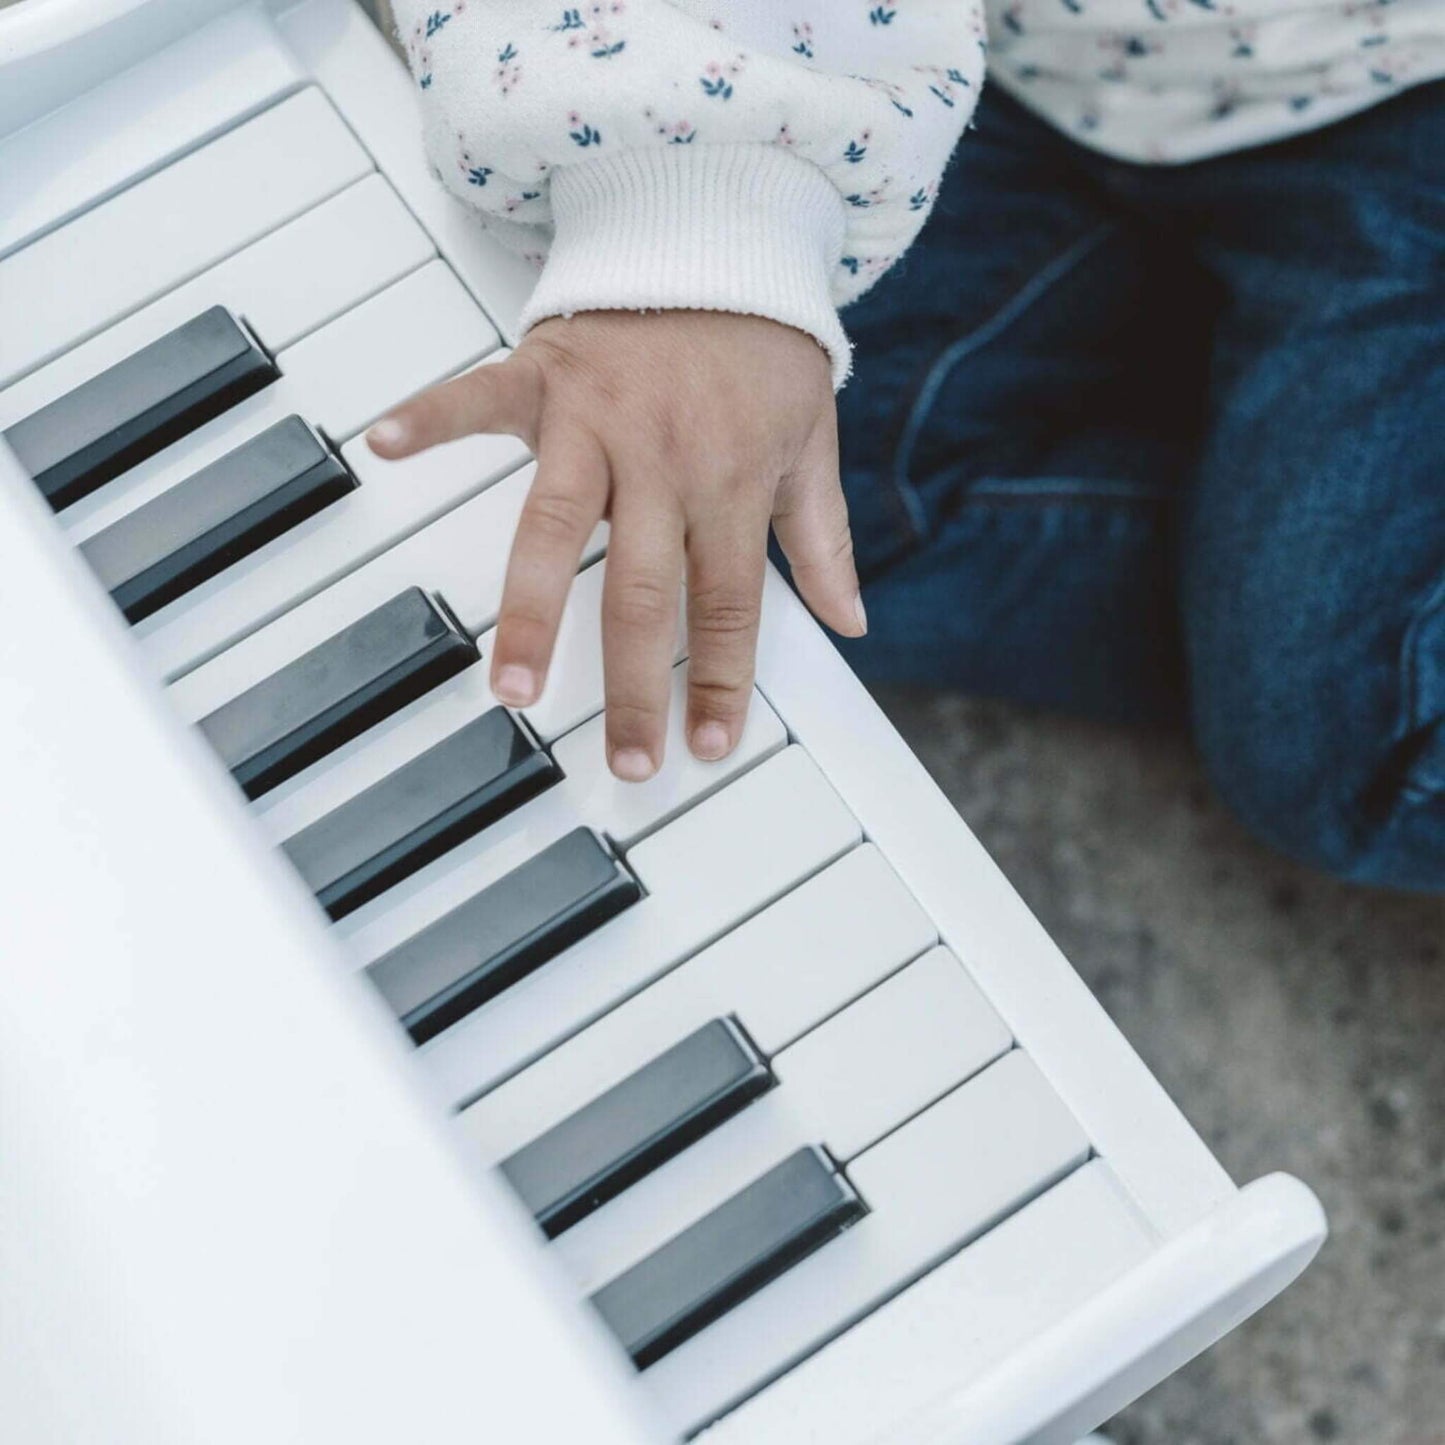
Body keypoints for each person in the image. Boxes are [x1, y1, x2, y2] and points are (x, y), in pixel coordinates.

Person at [366, 1, 1445, 890]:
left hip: (1401, 92)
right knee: (793, 514)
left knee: (1342, 739)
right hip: (1035, 65)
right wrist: (693, 194)